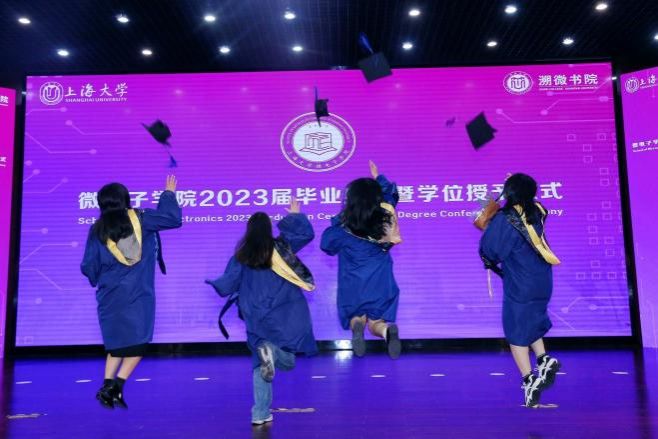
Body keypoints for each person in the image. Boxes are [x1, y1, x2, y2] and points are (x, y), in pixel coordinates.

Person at [205, 199, 317, 425]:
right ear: (269, 228)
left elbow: (228, 283)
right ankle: (273, 353)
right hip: (284, 312)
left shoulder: (241, 256)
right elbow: (305, 234)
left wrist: (215, 282)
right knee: (288, 360)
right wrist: (295, 215)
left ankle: (260, 413)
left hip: (255, 316)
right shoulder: (281, 248)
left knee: (259, 364)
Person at [81, 176, 182, 409]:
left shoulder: (97, 230)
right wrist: (168, 194)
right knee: (138, 343)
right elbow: (173, 219)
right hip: (138, 294)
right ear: (125, 199)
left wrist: (99, 278)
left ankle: (108, 386)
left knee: (116, 343)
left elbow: (88, 266)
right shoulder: (141, 219)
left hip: (110, 295)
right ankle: (116, 386)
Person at [477, 173, 561, 408]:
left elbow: (491, 251)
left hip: (520, 282)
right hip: (542, 280)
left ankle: (529, 381)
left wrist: (489, 222)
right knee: (530, 322)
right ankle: (543, 360)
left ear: (509, 192)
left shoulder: (507, 218)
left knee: (515, 332)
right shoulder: (537, 211)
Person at [321, 161, 402, 359]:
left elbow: (326, 245)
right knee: (377, 322)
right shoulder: (385, 219)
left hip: (352, 283)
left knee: (356, 316)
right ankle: (386, 332)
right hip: (380, 280)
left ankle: (357, 325)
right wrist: (379, 178)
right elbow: (392, 195)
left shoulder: (342, 229)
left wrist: (341, 218)